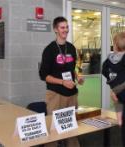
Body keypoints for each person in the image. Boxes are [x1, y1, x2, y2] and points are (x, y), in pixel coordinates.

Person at [39, 16, 84, 147]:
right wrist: (62, 82)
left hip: (72, 95)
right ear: (55, 30)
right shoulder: (49, 50)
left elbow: (72, 68)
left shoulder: (71, 48)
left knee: (71, 129)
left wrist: (77, 77)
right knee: (53, 130)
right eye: (62, 27)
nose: (66, 30)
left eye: (67, 27)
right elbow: (43, 75)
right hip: (55, 95)